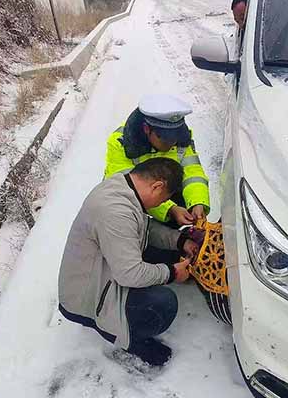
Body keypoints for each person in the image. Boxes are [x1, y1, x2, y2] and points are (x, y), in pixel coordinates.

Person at [58, 158, 200, 367]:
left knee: (168, 254)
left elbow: (144, 228)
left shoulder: (124, 185)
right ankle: (129, 338)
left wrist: (180, 241)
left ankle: (123, 316)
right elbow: (129, 275)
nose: (162, 205)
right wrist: (171, 273)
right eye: (163, 199)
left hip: (104, 270)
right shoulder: (116, 211)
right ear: (157, 186)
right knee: (162, 304)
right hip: (86, 298)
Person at [104, 94, 210, 228]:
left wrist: (197, 202)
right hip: (131, 200)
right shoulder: (120, 142)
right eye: (165, 139)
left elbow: (193, 173)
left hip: (162, 194)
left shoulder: (182, 138)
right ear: (147, 129)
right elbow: (131, 190)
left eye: (175, 137)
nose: (171, 143)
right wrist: (171, 209)